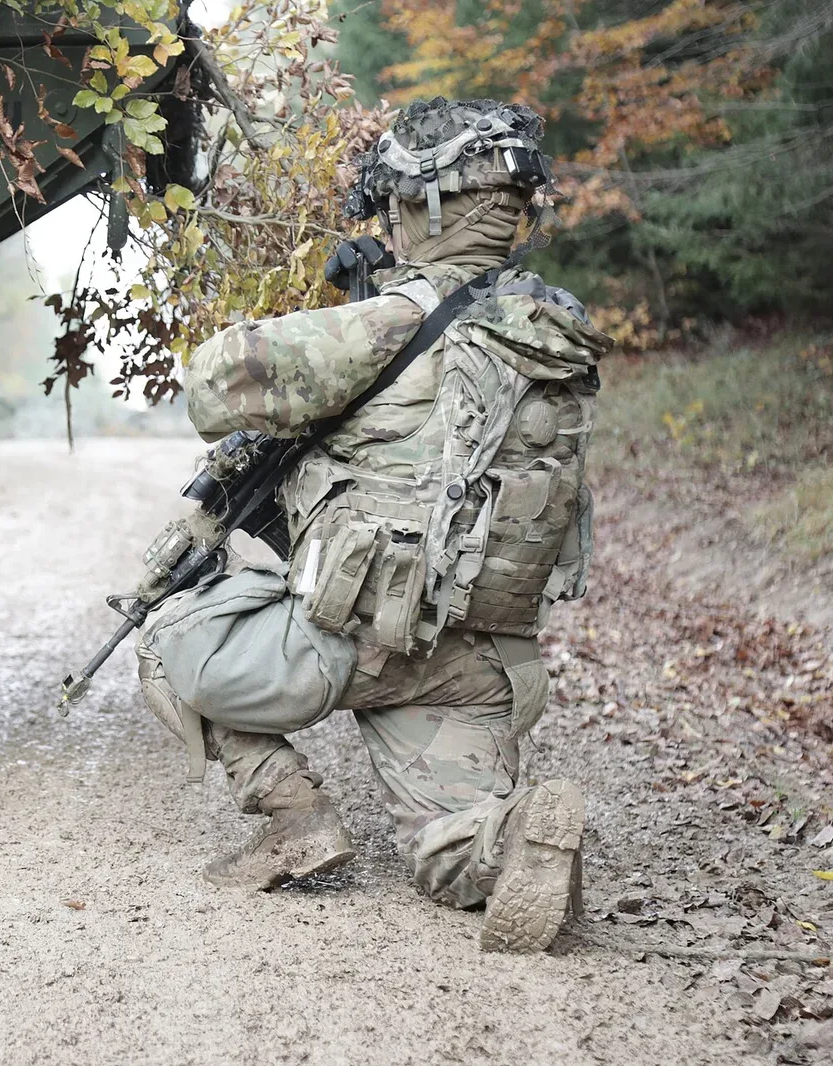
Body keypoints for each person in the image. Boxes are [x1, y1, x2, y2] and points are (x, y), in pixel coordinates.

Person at [134, 98, 614, 953]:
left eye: (391, 207)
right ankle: (509, 841)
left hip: (355, 635)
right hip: (478, 659)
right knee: (451, 857)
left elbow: (215, 386)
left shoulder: (395, 321)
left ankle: (296, 820)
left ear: (422, 207)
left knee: (166, 632)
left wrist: (358, 314)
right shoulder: (552, 333)